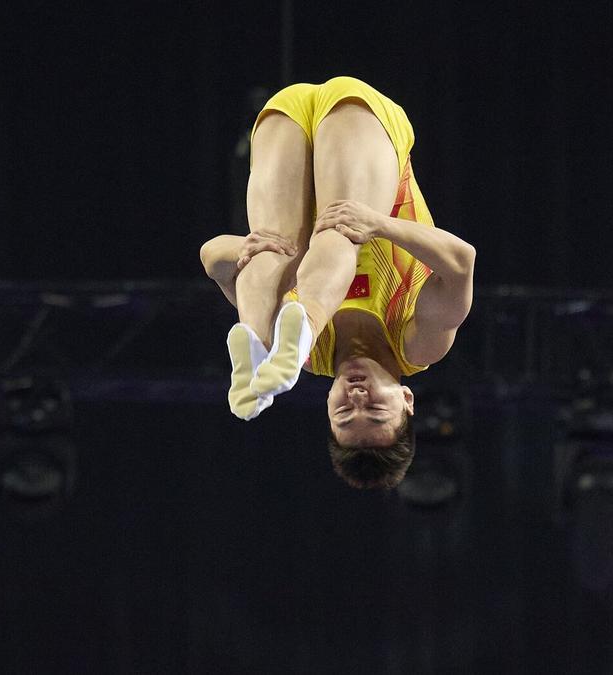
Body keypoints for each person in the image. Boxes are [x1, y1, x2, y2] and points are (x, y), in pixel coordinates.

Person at [198, 76, 476, 489]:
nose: (358, 398)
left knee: (272, 255)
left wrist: (248, 249)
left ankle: (252, 339)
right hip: (361, 118)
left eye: (344, 413)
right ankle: (304, 316)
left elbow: (212, 259)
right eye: (377, 412)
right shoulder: (420, 343)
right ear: (407, 401)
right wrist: (380, 224)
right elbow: (461, 262)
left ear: (327, 408)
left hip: (286, 111)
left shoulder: (307, 357)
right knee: (339, 234)